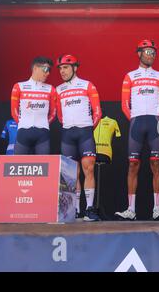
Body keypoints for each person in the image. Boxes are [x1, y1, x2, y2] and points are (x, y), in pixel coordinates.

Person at [115, 39, 159, 221]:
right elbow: (124, 104)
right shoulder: (130, 76)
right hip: (137, 122)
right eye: (147, 52)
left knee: (156, 165)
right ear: (139, 53)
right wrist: (134, 118)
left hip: (154, 122)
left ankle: (156, 209)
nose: (151, 55)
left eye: (153, 52)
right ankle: (130, 209)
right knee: (133, 165)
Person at [56, 54, 102, 221]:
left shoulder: (87, 85)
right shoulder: (58, 89)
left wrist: (88, 127)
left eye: (66, 67)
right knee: (71, 173)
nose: (62, 71)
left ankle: (89, 209)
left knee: (88, 169)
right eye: (60, 68)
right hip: (68, 134)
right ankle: (75, 210)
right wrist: (69, 125)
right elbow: (60, 116)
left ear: (75, 67)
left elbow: (98, 112)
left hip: (85, 133)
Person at [10, 56, 57, 155]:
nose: (48, 73)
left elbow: (53, 112)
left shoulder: (51, 89)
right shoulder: (19, 86)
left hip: (42, 134)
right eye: (46, 69)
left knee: (43, 169)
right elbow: (14, 112)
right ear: (35, 68)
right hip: (23, 132)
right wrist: (23, 122)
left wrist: (44, 123)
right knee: (20, 168)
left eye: (49, 70)